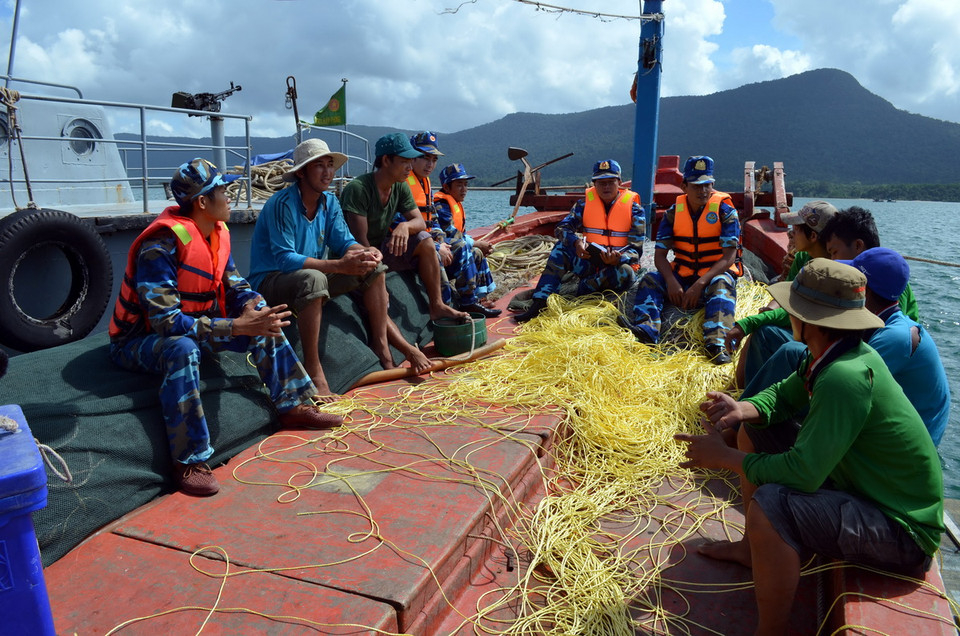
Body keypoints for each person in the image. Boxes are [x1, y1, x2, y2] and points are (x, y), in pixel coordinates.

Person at [675, 258, 944, 636]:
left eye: (793, 310)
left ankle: (772, 631)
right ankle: (752, 550)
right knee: (758, 429)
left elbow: (803, 473)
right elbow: (782, 399)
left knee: (772, 505)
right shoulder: (831, 355)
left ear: (811, 321)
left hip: (901, 530)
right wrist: (741, 409)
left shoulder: (845, 377)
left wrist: (727, 458)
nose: (788, 315)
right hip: (864, 490)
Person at [108, 158, 342, 497]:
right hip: (139, 341)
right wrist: (234, 327)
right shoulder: (159, 247)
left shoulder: (217, 234)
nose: (230, 196)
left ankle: (293, 404)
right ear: (203, 202)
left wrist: (250, 306)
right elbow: (165, 323)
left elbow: (235, 286)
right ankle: (189, 460)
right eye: (223, 190)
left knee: (261, 311)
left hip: (196, 326)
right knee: (182, 348)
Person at [247, 139, 431, 397]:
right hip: (271, 281)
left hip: (308, 275)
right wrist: (339, 265)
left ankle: (382, 349)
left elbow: (344, 241)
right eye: (319, 166)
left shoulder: (329, 202)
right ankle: (315, 373)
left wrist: (364, 251)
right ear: (301, 172)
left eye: (330, 166)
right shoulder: (282, 205)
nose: (328, 172)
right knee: (314, 279)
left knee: (374, 268)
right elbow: (284, 259)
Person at [741, 248, 950, 444]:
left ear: (863, 291)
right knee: (790, 352)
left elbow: (844, 387)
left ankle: (745, 429)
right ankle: (744, 414)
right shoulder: (881, 320)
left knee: (796, 376)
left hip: (893, 440)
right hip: (869, 411)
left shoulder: (895, 338)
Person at [341, 132, 469, 323]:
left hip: (382, 248)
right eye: (404, 161)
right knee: (376, 288)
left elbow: (419, 222)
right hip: (359, 254)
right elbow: (362, 243)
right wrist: (379, 275)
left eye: (411, 161)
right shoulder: (358, 189)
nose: (410, 167)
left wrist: (405, 226)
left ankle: (437, 305)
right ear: (386, 160)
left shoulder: (399, 186)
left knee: (424, 240)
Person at [627, 156, 741, 363]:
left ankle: (717, 344)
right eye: (696, 185)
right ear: (684, 186)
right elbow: (660, 256)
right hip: (682, 274)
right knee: (651, 279)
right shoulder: (673, 213)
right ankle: (647, 330)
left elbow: (729, 257)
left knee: (722, 285)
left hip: (712, 276)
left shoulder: (726, 211)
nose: (703, 191)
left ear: (713, 185)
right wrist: (671, 282)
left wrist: (699, 284)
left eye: (707, 185)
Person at [512, 159, 644, 323]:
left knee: (626, 271)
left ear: (620, 182)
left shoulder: (635, 210)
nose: (606, 187)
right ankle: (540, 302)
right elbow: (562, 228)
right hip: (590, 262)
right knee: (561, 248)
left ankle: (585, 289)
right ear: (594, 184)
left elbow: (636, 250)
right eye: (601, 183)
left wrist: (619, 258)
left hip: (617, 265)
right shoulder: (584, 204)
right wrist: (576, 242)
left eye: (611, 182)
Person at [727, 201, 838, 384]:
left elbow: (799, 313)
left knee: (761, 330)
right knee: (764, 323)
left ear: (812, 236)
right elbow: (788, 291)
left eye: (796, 229)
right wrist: (769, 309)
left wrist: (748, 323)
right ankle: (738, 387)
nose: (791, 233)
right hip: (803, 327)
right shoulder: (803, 257)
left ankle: (742, 393)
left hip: (820, 340)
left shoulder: (830, 270)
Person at [433, 162, 500, 317]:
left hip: (451, 254)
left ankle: (480, 297)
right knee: (466, 248)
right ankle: (468, 302)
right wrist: (476, 242)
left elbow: (461, 233)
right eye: (459, 185)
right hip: (443, 256)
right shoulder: (441, 205)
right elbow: (450, 233)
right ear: (447, 187)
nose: (464, 189)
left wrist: (477, 246)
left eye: (466, 185)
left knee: (477, 252)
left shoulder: (454, 203)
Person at [406, 131, 456, 306]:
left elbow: (433, 219)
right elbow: (399, 225)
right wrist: (436, 246)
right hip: (413, 242)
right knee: (434, 255)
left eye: (434, 160)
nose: (430, 164)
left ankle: (470, 300)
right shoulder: (402, 183)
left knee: (464, 248)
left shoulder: (425, 183)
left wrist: (441, 241)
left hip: (428, 238)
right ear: (412, 157)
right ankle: (444, 307)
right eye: (425, 158)